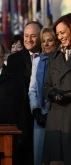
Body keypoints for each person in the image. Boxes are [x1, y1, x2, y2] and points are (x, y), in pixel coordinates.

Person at [7, 21, 43, 165]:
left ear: (40, 36)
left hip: (44, 112)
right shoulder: (13, 59)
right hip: (22, 115)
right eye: (26, 36)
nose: (28, 39)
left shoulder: (50, 56)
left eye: (33, 36)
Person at [42, 13, 71, 165]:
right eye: (58, 33)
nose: (60, 37)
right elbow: (46, 85)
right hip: (56, 117)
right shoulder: (54, 56)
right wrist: (53, 93)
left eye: (63, 32)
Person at [28, 27, 59, 165]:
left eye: (50, 40)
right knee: (39, 157)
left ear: (56, 42)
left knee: (56, 156)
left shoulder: (62, 60)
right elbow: (33, 88)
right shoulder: (37, 61)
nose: (46, 44)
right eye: (44, 41)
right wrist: (35, 110)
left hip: (57, 113)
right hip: (40, 111)